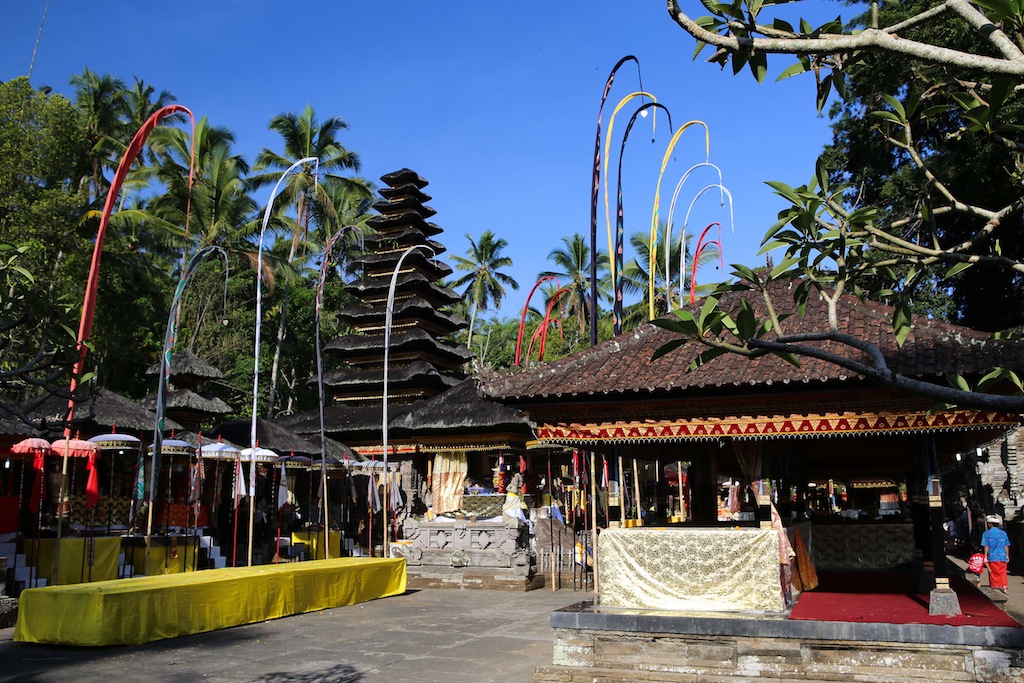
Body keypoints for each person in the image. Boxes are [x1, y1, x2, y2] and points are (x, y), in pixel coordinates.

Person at [982, 514, 1011, 594]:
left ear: (990, 524)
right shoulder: (1003, 533)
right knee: (1003, 573)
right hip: (1002, 556)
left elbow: (986, 545)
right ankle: (1004, 588)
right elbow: (1006, 545)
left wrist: (985, 555)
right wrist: (1007, 555)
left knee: (993, 573)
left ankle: (995, 588)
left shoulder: (986, 533)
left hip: (992, 556)